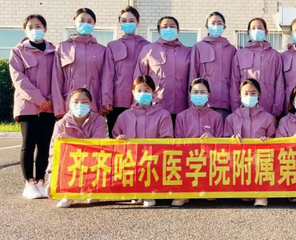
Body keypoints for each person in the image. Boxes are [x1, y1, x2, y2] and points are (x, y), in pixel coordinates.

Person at [9, 14, 56, 199]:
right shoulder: (17, 51)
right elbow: (19, 79)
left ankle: (40, 182)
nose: (34, 29)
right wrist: (39, 99)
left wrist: (51, 99)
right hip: (28, 105)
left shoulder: (54, 51)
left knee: (44, 146)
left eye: (38, 26)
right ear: (25, 30)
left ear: (45, 29)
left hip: (49, 106)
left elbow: (58, 78)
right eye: (30, 27)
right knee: (28, 144)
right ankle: (28, 183)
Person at [112, 75, 173, 208]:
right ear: (133, 92)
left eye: (146, 90)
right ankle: (136, 190)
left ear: (153, 93)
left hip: (154, 163)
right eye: (139, 90)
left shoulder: (163, 115)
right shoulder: (124, 116)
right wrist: (119, 139)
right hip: (131, 163)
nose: (143, 94)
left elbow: (166, 141)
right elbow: (115, 142)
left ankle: (149, 191)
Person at [47, 88, 108, 209]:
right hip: (71, 163)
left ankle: (93, 188)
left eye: (84, 102)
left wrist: (70, 139)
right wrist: (50, 180)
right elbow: (54, 153)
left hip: (92, 160)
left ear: (90, 104)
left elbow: (97, 144)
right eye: (75, 102)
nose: (80, 105)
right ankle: (68, 192)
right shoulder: (60, 124)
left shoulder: (99, 121)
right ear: (69, 104)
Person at [172, 78, 225, 207]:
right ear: (190, 94)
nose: (198, 95)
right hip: (187, 159)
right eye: (195, 92)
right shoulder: (181, 117)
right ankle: (183, 191)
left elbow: (221, 143)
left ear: (208, 94)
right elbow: (178, 142)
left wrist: (212, 139)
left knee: (211, 197)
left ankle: (207, 187)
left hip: (209, 159)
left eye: (202, 92)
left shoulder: (216, 117)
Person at [224, 78, 276, 207]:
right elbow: (224, 144)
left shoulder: (268, 118)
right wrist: (232, 138)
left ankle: (261, 194)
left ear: (259, 94)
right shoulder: (231, 118)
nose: (249, 96)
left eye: (253, 93)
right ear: (240, 95)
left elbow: (275, 142)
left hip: (260, 161)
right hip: (239, 161)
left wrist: (268, 141)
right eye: (246, 93)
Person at [101, 6, 149, 137]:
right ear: (120, 23)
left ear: (137, 22)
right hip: (118, 100)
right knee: (117, 137)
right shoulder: (112, 46)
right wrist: (106, 98)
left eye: (131, 20)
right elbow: (107, 75)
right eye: (124, 21)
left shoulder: (147, 45)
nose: (128, 24)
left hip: (141, 99)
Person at [51, 8, 106, 118]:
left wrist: (104, 104)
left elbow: (105, 79)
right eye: (82, 20)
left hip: (93, 102)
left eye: (89, 21)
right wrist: (58, 107)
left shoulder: (102, 50)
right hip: (69, 102)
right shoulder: (63, 47)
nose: (85, 24)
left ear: (94, 24)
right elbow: (56, 79)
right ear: (74, 22)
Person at [136, 16, 191, 121]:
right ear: (159, 31)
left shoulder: (187, 52)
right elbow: (139, 77)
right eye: (165, 27)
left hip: (181, 107)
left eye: (172, 26)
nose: (168, 29)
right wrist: (139, 101)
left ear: (178, 30)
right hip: (156, 105)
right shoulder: (149, 49)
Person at [230, 18, 284, 117]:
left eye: (259, 28)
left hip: (267, 108)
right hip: (244, 109)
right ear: (248, 33)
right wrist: (235, 108)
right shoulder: (240, 55)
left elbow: (279, 83)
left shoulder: (274, 55)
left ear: (266, 32)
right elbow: (234, 83)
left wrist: (277, 110)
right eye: (253, 28)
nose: (256, 30)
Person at [189, 12, 237, 119]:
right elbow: (193, 74)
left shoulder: (231, 49)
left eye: (219, 23)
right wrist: (192, 101)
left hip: (224, 101)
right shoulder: (198, 47)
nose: (216, 26)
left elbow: (235, 78)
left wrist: (234, 104)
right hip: (203, 100)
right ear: (207, 26)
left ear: (224, 26)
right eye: (213, 23)